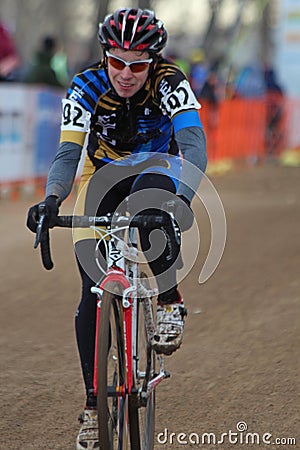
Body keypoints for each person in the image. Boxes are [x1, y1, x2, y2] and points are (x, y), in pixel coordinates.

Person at [26, 8, 207, 449]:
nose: (126, 74)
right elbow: (68, 155)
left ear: (154, 62)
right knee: (90, 289)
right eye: (117, 62)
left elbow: (193, 145)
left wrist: (179, 201)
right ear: (105, 56)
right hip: (100, 173)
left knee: (152, 217)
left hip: (156, 166)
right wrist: (52, 199)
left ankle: (168, 298)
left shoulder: (170, 82)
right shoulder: (85, 86)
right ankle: (93, 406)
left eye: (138, 64)